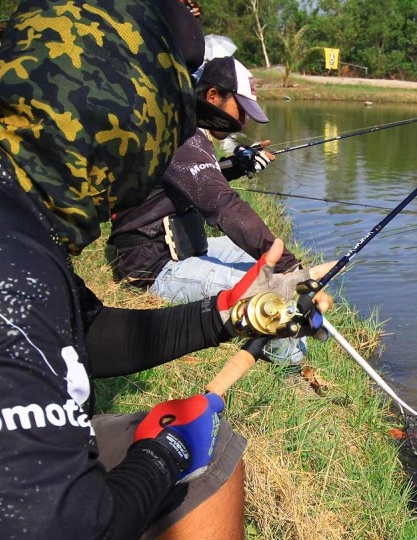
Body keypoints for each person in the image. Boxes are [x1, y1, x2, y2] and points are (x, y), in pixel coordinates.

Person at [0, 0, 333, 540]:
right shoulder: (7, 257)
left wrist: (230, 316)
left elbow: (90, 335)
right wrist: (159, 459)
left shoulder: (17, 214)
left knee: (217, 455)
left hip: (29, 490)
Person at [109, 56, 306, 363]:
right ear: (213, 97)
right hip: (152, 265)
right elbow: (223, 205)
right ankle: (296, 368)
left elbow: (189, 181)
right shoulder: (183, 136)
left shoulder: (186, 127)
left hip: (187, 248)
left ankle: (296, 340)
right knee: (263, 292)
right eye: (240, 111)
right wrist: (291, 268)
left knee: (255, 263)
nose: (243, 122)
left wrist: (236, 166)